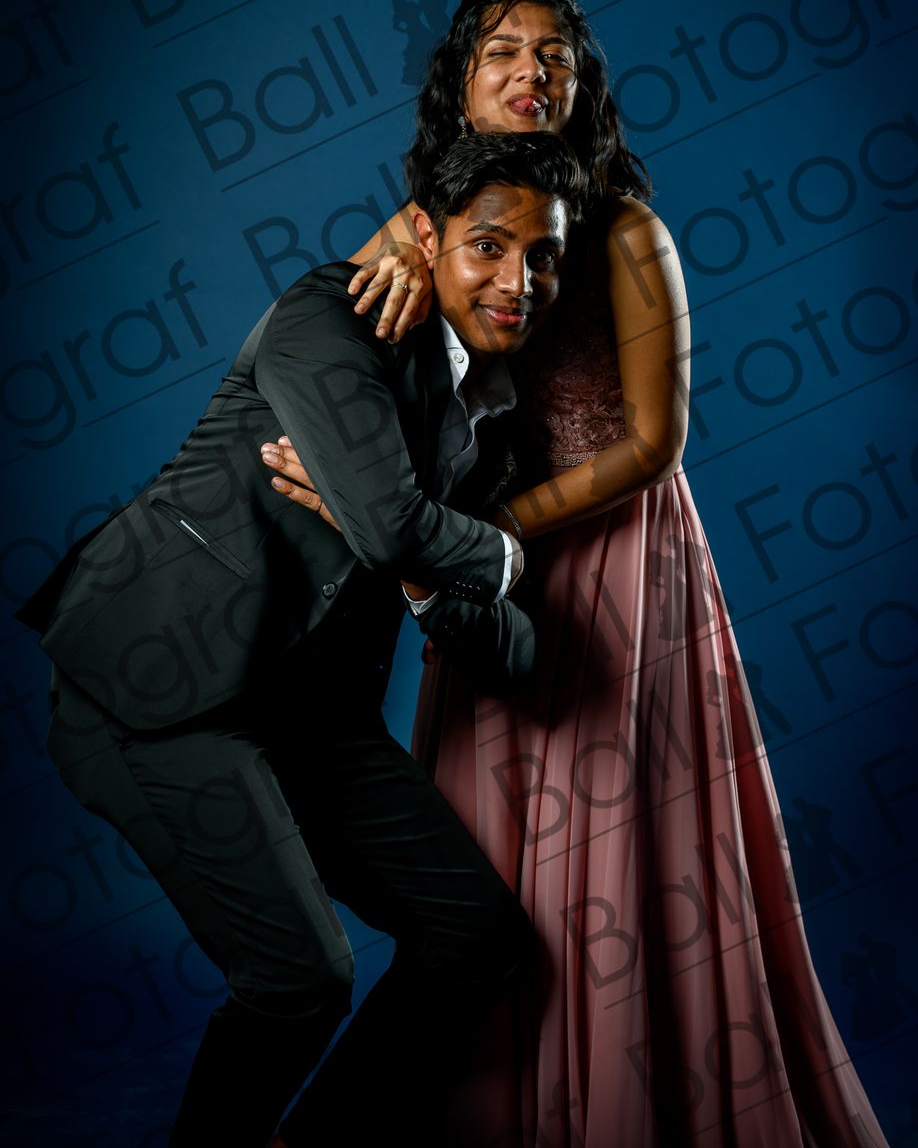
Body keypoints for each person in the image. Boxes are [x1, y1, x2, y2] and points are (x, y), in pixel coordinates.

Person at [264, 0, 890, 1146]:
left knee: (623, 847)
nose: (532, 71)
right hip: (478, 565)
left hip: (614, 559)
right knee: (491, 862)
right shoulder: (429, 220)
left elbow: (654, 441)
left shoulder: (627, 230)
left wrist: (485, 532)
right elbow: (332, 348)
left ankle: (625, 1097)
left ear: (583, 88)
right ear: (459, 85)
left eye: (556, 55)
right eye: (503, 51)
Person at [17, 133, 586, 1147]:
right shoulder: (330, 317)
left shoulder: (496, 410)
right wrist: (493, 553)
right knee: (301, 980)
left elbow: (511, 653)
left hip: (311, 709)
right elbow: (390, 524)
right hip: (156, 686)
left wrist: (424, 566)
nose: (518, 280)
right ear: (426, 237)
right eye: (489, 246)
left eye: (543, 256)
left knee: (477, 937)